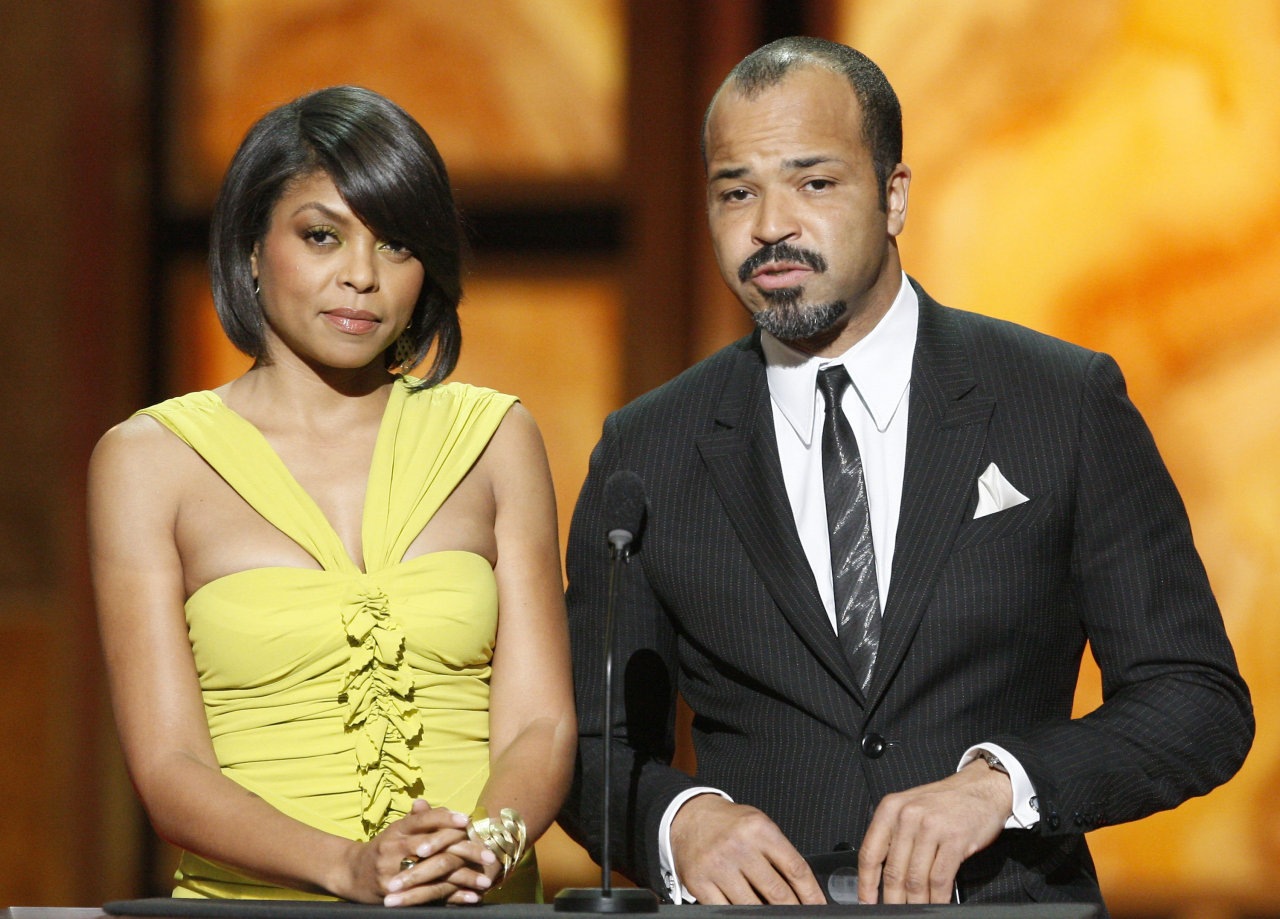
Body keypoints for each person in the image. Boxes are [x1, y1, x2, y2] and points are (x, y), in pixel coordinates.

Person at [558, 37, 1252, 914]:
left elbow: (1195, 700)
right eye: (737, 191)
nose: (770, 225)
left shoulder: (1060, 400)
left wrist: (1005, 782)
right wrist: (680, 820)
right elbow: (587, 743)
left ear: (894, 196)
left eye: (814, 183)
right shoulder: (647, 448)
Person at [88, 86, 576, 906]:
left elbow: (542, 723)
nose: (360, 276)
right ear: (251, 247)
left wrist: (483, 848)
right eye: (322, 235)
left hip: (475, 901)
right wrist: (346, 865)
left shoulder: (495, 437)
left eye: (396, 245)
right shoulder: (149, 461)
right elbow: (170, 767)